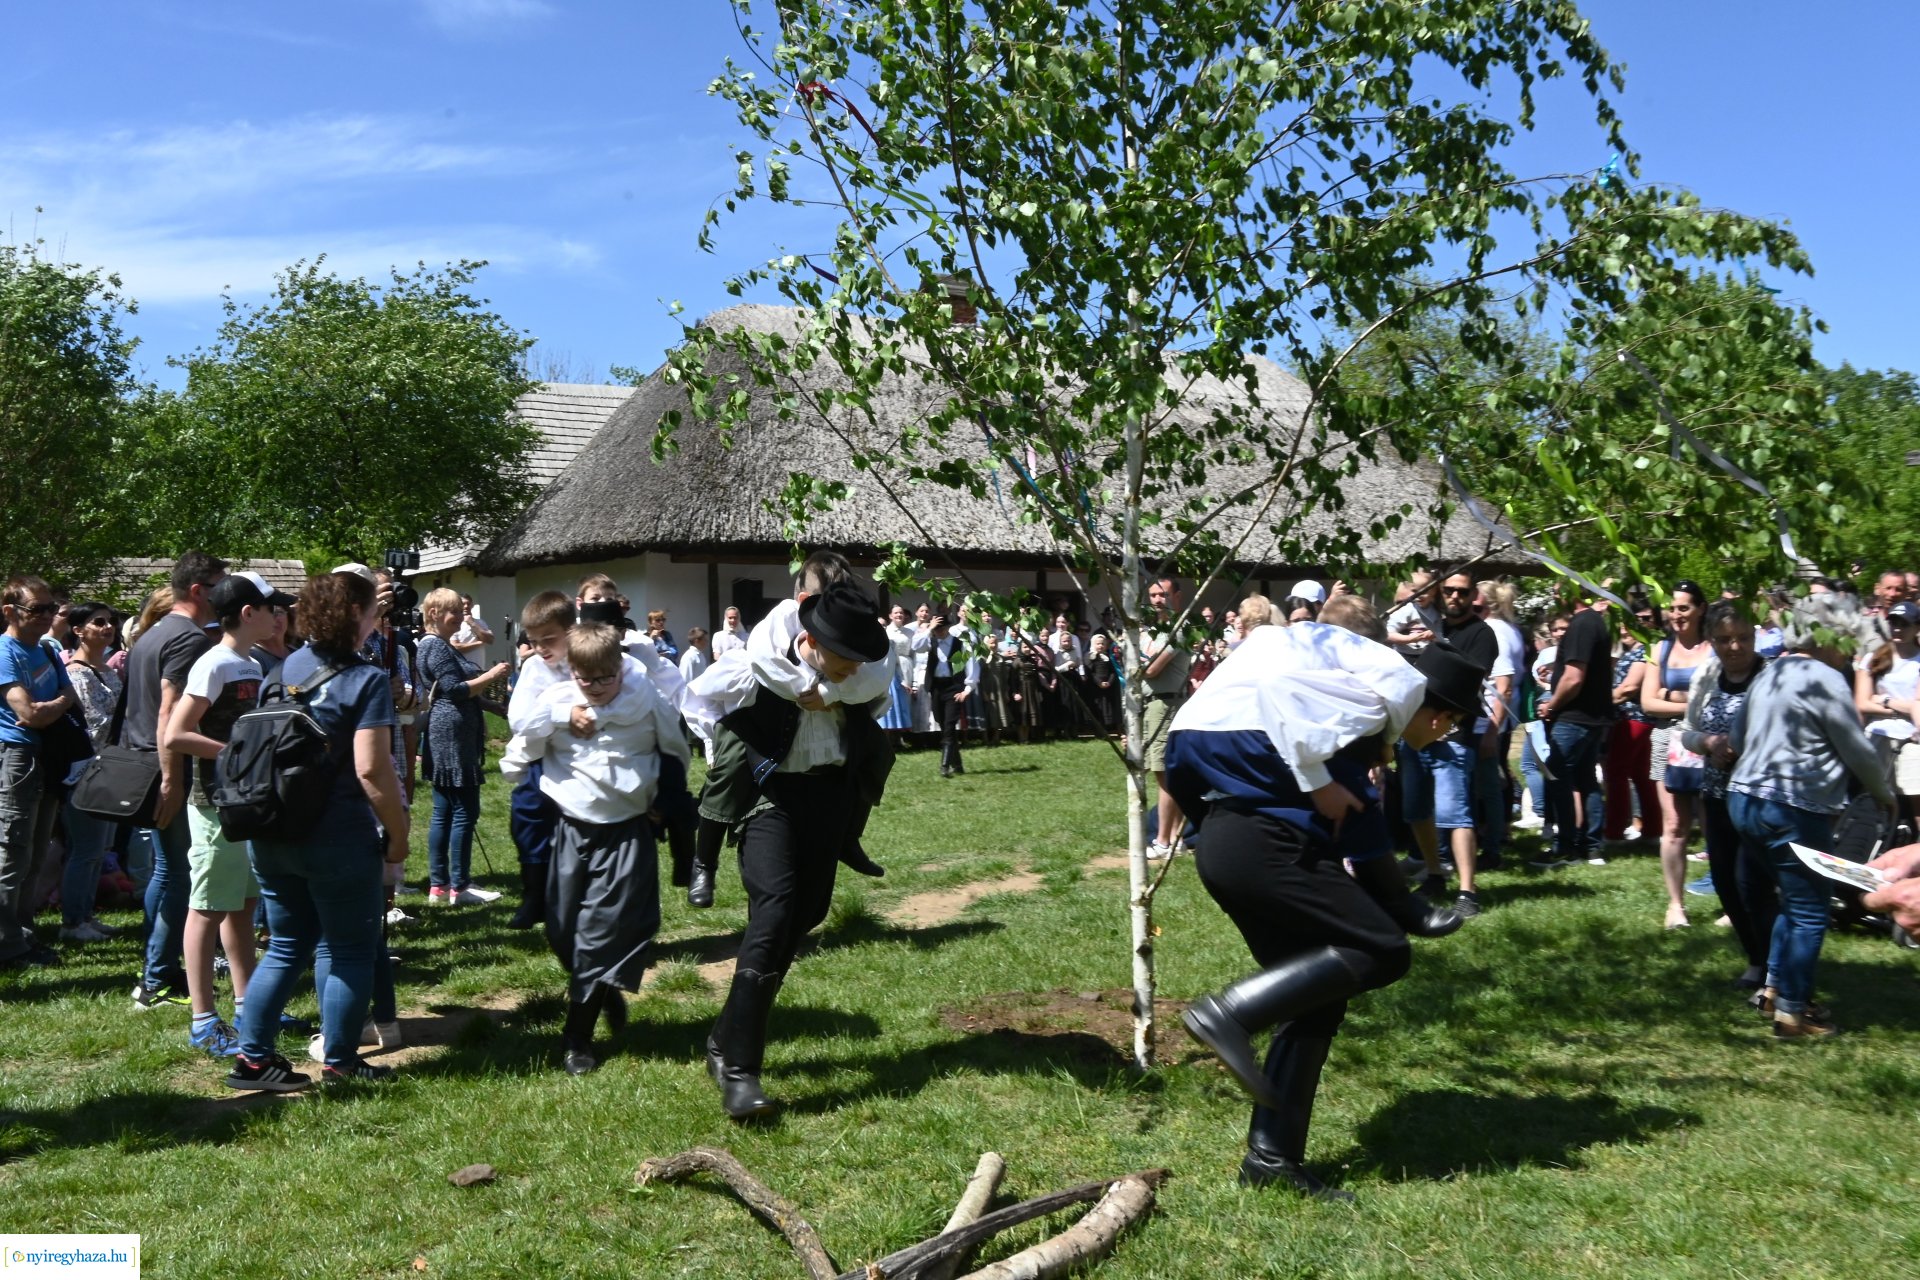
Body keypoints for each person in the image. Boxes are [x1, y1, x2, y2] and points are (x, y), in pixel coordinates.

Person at [1166, 628, 1486, 1201]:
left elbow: (1360, 833)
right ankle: (1229, 1014)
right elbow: (1280, 690)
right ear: (1439, 713)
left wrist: (1409, 906)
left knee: (1316, 1002)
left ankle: (1271, 1160)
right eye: (1451, 721)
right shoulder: (1369, 706)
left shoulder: (1346, 725)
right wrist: (1316, 785)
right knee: (1382, 950)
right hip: (1262, 850)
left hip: (1227, 842)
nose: (1443, 733)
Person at [691, 579, 893, 1118]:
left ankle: (723, 1040)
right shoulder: (759, 661)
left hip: (827, 796)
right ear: (813, 641)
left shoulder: (856, 679)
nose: (855, 668)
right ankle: (740, 1073)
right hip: (768, 798)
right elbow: (700, 700)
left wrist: (835, 688)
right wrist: (718, 749)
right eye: (846, 658)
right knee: (774, 911)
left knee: (810, 910)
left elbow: (878, 677)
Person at [227, 571, 411, 1091]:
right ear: (356, 615)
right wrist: (397, 837)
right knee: (350, 948)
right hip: (338, 835)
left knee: (286, 945)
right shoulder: (366, 680)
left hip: (273, 831)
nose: (378, 619)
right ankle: (341, 1061)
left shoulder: (281, 670)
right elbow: (372, 770)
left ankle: (254, 1060)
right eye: (373, 610)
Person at [508, 623, 688, 1074]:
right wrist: (560, 716)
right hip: (571, 829)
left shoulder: (644, 698)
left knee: (598, 935)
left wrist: (664, 803)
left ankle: (577, 1040)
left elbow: (675, 750)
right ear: (572, 672)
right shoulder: (557, 702)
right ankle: (601, 991)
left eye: (606, 678)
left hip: (626, 830)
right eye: (587, 680)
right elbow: (520, 745)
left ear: (620, 669)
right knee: (563, 931)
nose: (598, 688)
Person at [1726, 595, 1891, 1039]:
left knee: (1793, 902)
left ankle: (1775, 990)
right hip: (1792, 807)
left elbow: (1738, 737)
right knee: (1811, 911)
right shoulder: (1825, 678)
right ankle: (1794, 1014)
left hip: (1743, 799)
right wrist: (1884, 793)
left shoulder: (1770, 673)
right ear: (1829, 634)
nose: (1849, 648)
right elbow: (1856, 746)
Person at [162, 571, 295, 1056]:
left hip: (243, 804)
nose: (278, 616)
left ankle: (250, 1006)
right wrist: (235, 754)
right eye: (270, 608)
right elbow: (176, 733)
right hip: (215, 805)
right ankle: (203, 1019)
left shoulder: (250, 663)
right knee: (207, 908)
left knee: (241, 906)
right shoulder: (214, 663)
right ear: (247, 613)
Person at [126, 552, 229, 1009]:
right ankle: (157, 980)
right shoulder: (187, 638)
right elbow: (168, 714)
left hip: (144, 764)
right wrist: (172, 780)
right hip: (169, 769)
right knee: (179, 876)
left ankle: (156, 971)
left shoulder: (152, 634)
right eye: (218, 588)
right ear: (197, 590)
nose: (224, 598)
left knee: (167, 871)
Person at [1677, 602, 1776, 992]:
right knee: (1724, 880)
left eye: (1743, 638)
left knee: (1752, 881)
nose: (1734, 647)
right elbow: (1687, 730)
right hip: (1717, 792)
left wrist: (1744, 746)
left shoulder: (1770, 676)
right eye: (1724, 639)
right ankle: (1755, 958)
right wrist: (1708, 742)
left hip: (1760, 794)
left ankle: (1774, 963)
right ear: (1711, 641)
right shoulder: (1708, 674)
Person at [1397, 571, 1499, 916]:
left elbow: (1469, 679)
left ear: (1473, 596)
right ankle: (1436, 874)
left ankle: (1468, 892)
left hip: (1452, 735)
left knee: (1455, 815)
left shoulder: (1482, 634)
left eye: (1462, 592)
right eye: (1450, 591)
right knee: (1416, 809)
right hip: (1415, 733)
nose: (1455, 597)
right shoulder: (1434, 625)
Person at [0, 575, 78, 970]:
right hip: (15, 757)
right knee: (12, 851)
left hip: (46, 757)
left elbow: (70, 695)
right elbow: (26, 713)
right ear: (10, 611)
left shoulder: (46, 650)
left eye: (51, 608)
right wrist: (51, 707)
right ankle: (6, 945)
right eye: (38, 609)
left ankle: (23, 936)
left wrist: (50, 708)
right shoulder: (4, 652)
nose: (48, 616)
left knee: (35, 853)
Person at [417, 588, 513, 906]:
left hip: (448, 730)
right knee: (464, 810)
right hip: (452, 735)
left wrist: (490, 705)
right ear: (433, 614)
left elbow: (459, 693)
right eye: (454, 612)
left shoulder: (439, 645)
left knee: (444, 810)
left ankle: (439, 886)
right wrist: (493, 674)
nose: (460, 617)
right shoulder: (436, 648)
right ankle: (460, 886)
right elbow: (455, 690)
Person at [1639, 581, 1713, 930]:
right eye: (1671, 608)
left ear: (1700, 609)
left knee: (1717, 826)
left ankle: (1732, 902)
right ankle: (1676, 905)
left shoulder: (1714, 647)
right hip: (1667, 741)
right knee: (1674, 826)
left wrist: (1672, 695)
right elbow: (1647, 701)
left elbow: (1721, 696)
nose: (1676, 615)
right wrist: (1691, 700)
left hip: (1712, 741)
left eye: (1683, 607)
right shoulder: (1659, 648)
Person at [57, 603, 123, 943]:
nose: (108, 626)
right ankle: (72, 922)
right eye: (99, 622)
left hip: (111, 769)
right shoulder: (72, 673)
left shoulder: (109, 670)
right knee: (85, 847)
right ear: (79, 630)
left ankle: (85, 915)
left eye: (111, 622)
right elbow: (86, 725)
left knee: (99, 848)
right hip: (85, 770)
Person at [1535, 601, 1614, 870]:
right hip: (1590, 717)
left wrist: (1552, 704)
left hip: (1575, 717)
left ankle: (1566, 845)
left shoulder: (1582, 623)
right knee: (1586, 778)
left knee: (1558, 777)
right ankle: (1591, 846)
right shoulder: (1593, 622)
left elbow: (1574, 677)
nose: (1556, 593)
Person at [1127, 576, 1191, 859]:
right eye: (1152, 595)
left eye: (1162, 594)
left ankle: (1164, 841)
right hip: (1150, 705)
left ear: (1176, 596)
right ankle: (1176, 839)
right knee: (1165, 775)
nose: (1156, 600)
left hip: (1165, 706)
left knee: (1164, 775)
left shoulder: (1179, 628)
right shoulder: (1154, 629)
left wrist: (1140, 653)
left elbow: (1151, 669)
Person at [1855, 600, 1920, 830]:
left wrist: (1882, 699)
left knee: (1916, 798)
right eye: (1893, 622)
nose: (1898, 628)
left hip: (1911, 739)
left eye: (1905, 624)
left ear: (1917, 628)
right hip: (1877, 735)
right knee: (1878, 800)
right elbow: (1862, 702)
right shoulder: (1874, 658)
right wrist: (1904, 707)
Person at [1602, 599, 1661, 842]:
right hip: (1635, 720)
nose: (1628, 628)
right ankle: (1653, 829)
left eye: (1644, 619)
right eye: (1627, 622)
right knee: (1640, 774)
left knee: (1616, 773)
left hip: (1634, 720)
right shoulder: (1638, 650)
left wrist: (1597, 702)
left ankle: (1614, 831)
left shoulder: (1646, 650)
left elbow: (1629, 688)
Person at [916, 612, 980, 777]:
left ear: (947, 628)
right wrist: (928, 628)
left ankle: (944, 766)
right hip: (937, 687)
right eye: (936, 630)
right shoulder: (930, 642)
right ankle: (957, 765)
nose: (938, 632)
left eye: (941, 629)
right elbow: (915, 646)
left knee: (950, 726)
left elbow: (972, 666)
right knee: (943, 725)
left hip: (954, 688)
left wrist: (967, 689)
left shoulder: (961, 644)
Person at [450, 594, 494, 667]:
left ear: (472, 605)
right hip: (461, 670)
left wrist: (472, 623)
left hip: (479, 668)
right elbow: (454, 648)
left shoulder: (480, 622)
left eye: (468, 603)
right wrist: (478, 643)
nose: (466, 606)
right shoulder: (455, 623)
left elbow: (490, 640)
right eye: (463, 604)